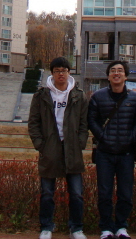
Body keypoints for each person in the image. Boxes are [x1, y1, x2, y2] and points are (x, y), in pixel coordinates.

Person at [28, 57, 89, 239]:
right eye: (57, 71)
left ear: (69, 72)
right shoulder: (41, 96)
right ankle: (46, 227)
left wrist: (80, 143)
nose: (60, 74)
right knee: (47, 193)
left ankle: (76, 228)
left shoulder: (78, 95)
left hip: (72, 149)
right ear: (52, 73)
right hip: (50, 148)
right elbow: (33, 123)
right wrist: (40, 145)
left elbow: (84, 123)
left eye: (64, 70)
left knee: (76, 193)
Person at [88, 60, 136, 239]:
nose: (116, 73)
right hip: (105, 153)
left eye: (120, 70)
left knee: (125, 193)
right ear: (108, 76)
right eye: (113, 70)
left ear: (126, 76)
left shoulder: (135, 99)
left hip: (126, 153)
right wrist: (102, 136)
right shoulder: (98, 97)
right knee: (104, 193)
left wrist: (131, 139)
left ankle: (121, 226)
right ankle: (106, 228)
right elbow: (92, 120)